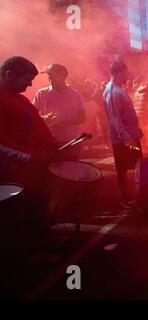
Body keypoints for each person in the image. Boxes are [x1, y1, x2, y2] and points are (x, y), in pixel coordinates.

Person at [0, 56, 58, 262]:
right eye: (27, 79)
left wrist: (51, 143)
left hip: (32, 168)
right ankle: (30, 253)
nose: (30, 84)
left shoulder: (19, 98)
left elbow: (29, 127)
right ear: (9, 75)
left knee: (38, 206)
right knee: (25, 212)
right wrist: (33, 155)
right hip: (15, 171)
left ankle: (40, 244)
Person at [103, 61, 143, 208]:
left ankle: (136, 194)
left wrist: (135, 130)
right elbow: (115, 119)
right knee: (123, 169)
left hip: (130, 136)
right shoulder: (113, 92)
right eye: (126, 73)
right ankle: (125, 198)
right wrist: (127, 138)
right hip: (124, 140)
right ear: (118, 73)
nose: (128, 75)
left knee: (136, 166)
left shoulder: (119, 89)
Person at [33, 64, 86, 160]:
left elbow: (82, 118)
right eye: (49, 75)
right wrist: (44, 119)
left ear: (64, 76)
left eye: (53, 75)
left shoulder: (75, 94)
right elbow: (32, 115)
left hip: (71, 140)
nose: (50, 78)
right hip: (48, 140)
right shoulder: (41, 93)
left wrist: (66, 124)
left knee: (71, 169)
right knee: (51, 168)